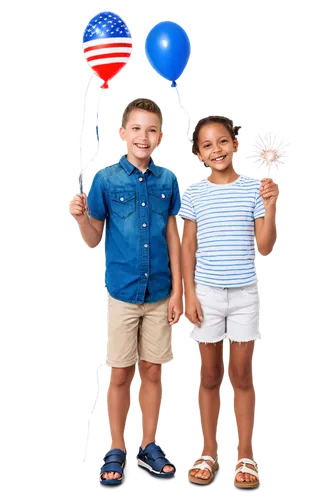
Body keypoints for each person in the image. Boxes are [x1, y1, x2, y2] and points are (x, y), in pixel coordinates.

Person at [68, 96, 183, 487]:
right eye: (136, 128)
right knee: (120, 373)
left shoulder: (169, 180)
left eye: (152, 130)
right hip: (121, 293)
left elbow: (174, 236)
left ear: (161, 137)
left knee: (153, 370)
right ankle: (116, 448)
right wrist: (81, 219)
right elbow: (95, 241)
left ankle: (149, 446)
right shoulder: (105, 179)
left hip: (161, 293)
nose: (143, 136)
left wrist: (180, 292)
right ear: (121, 133)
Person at [179, 114, 280, 490]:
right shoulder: (194, 191)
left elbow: (263, 247)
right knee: (207, 377)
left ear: (236, 144)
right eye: (207, 145)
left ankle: (245, 456)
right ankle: (207, 451)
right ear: (199, 154)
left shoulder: (255, 187)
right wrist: (188, 293)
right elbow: (188, 244)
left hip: (243, 296)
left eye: (222, 141)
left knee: (241, 377)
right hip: (204, 294)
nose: (216, 150)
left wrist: (272, 205)